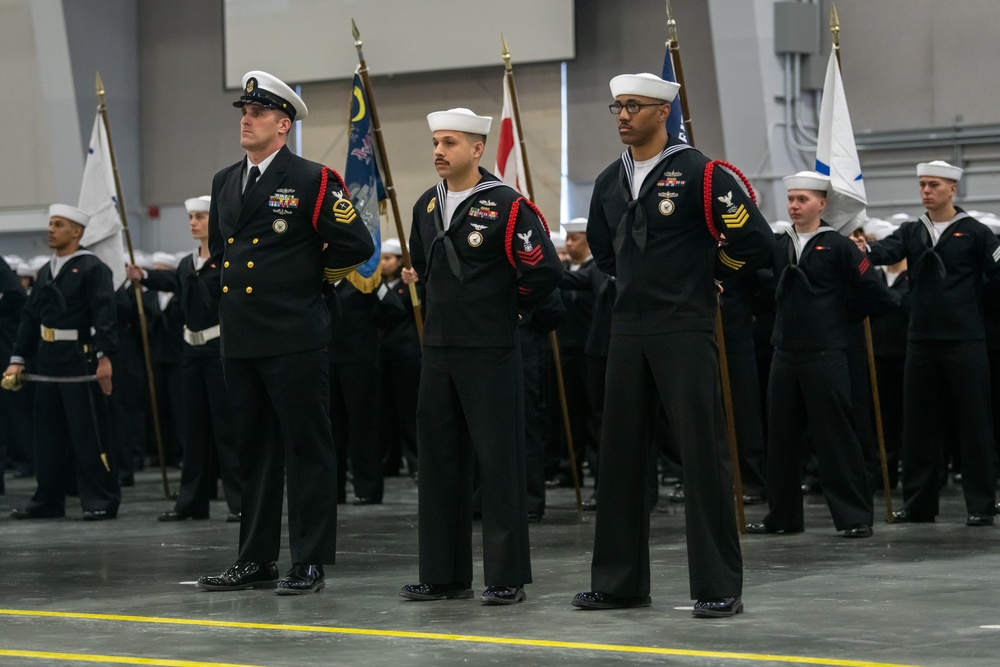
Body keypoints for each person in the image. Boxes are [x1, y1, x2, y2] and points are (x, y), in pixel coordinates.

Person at [572, 73, 774, 618]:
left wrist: (711, 275)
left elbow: (754, 243)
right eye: (617, 105)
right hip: (628, 327)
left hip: (684, 324)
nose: (621, 115)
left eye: (633, 106)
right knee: (619, 455)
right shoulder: (608, 180)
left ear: (663, 112)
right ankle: (619, 582)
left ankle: (717, 584)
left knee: (702, 453)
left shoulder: (703, 174)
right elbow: (603, 250)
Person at [197, 71, 374, 595]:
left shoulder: (312, 178)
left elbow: (354, 243)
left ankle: (310, 559)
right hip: (242, 335)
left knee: (306, 449)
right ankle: (255, 559)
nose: (246, 120)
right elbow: (221, 252)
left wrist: (308, 282)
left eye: (257, 113)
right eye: (243, 112)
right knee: (252, 449)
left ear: (283, 124)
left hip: (294, 332)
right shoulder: (225, 180)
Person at [399, 107, 562, 605]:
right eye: (435, 143)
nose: (438, 152)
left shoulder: (509, 206)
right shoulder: (427, 205)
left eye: (450, 143)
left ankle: (505, 576)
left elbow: (544, 270)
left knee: (499, 463)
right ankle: (442, 574)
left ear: (476, 149)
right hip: (440, 350)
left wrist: (509, 312)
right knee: (440, 463)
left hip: (490, 349)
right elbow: (424, 265)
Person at [855, 160, 1000, 526]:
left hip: (965, 340)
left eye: (934, 185)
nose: (926, 191)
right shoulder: (911, 232)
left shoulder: (976, 233)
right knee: (918, 425)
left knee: (975, 424)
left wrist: (973, 306)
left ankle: (981, 504)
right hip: (920, 341)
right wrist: (857, 250)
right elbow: (882, 253)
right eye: (922, 185)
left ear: (952, 189)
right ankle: (919, 503)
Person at [747, 171, 886, 538]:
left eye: (802, 199)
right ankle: (783, 516)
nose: (794, 205)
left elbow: (870, 288)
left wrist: (843, 320)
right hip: (785, 352)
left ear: (821, 204)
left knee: (835, 436)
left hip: (826, 352)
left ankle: (854, 516)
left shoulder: (838, 245)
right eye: (791, 199)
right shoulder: (779, 244)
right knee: (780, 437)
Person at [126, 196, 242, 522]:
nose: (193, 222)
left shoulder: (229, 260)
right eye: (191, 217)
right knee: (192, 431)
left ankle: (241, 502)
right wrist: (142, 275)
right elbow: (169, 281)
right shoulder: (186, 263)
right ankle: (191, 503)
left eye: (200, 217)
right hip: (190, 355)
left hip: (220, 352)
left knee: (227, 431)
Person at [5, 204, 120, 520]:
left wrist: (104, 357)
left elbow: (105, 314)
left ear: (77, 232)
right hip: (47, 359)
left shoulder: (92, 268)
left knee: (87, 433)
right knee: (47, 435)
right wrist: (18, 358)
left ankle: (100, 499)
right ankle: (48, 500)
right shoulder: (46, 270)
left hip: (80, 359)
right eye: (51, 224)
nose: (51, 230)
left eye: (58, 224)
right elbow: (30, 318)